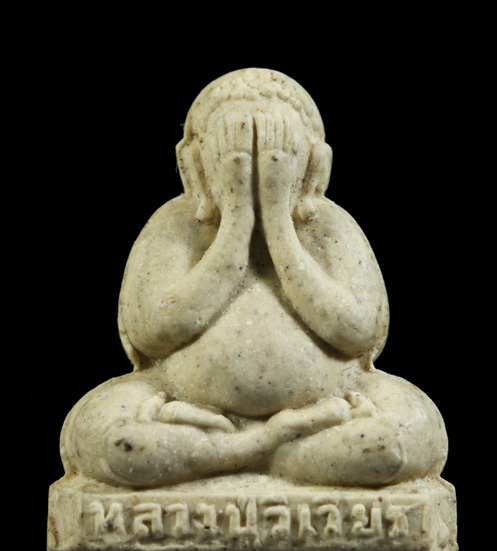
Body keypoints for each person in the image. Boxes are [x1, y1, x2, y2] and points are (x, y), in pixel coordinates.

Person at [61, 68, 448, 488]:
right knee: (107, 437)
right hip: (181, 402)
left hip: (329, 403)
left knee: (400, 437)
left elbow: (356, 332)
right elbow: (151, 333)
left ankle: (229, 455)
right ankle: (268, 449)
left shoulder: (329, 226)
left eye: (278, 157)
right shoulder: (176, 224)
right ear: (194, 166)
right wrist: (236, 223)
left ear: (315, 166)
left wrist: (279, 224)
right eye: (235, 158)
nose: (257, 171)